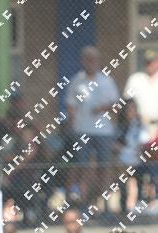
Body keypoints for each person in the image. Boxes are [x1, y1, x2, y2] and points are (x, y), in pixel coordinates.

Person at [66, 46, 119, 207]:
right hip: (82, 131)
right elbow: (70, 106)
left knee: (104, 168)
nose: (91, 62)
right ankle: (82, 205)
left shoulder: (107, 81)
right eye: (88, 59)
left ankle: (106, 207)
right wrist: (71, 128)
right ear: (83, 61)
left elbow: (116, 105)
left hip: (104, 132)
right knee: (82, 168)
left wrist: (103, 108)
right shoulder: (76, 81)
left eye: (94, 59)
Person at [114, 99, 148, 212]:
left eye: (133, 108)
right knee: (122, 176)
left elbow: (143, 143)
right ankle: (124, 206)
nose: (130, 111)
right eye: (128, 109)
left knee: (138, 176)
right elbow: (115, 145)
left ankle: (138, 204)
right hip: (122, 160)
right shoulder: (120, 126)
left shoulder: (140, 125)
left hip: (137, 160)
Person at [124, 50, 158, 141]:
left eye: (153, 62)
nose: (150, 65)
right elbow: (128, 103)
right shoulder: (136, 79)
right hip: (139, 126)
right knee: (139, 148)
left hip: (156, 125)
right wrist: (136, 116)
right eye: (148, 62)